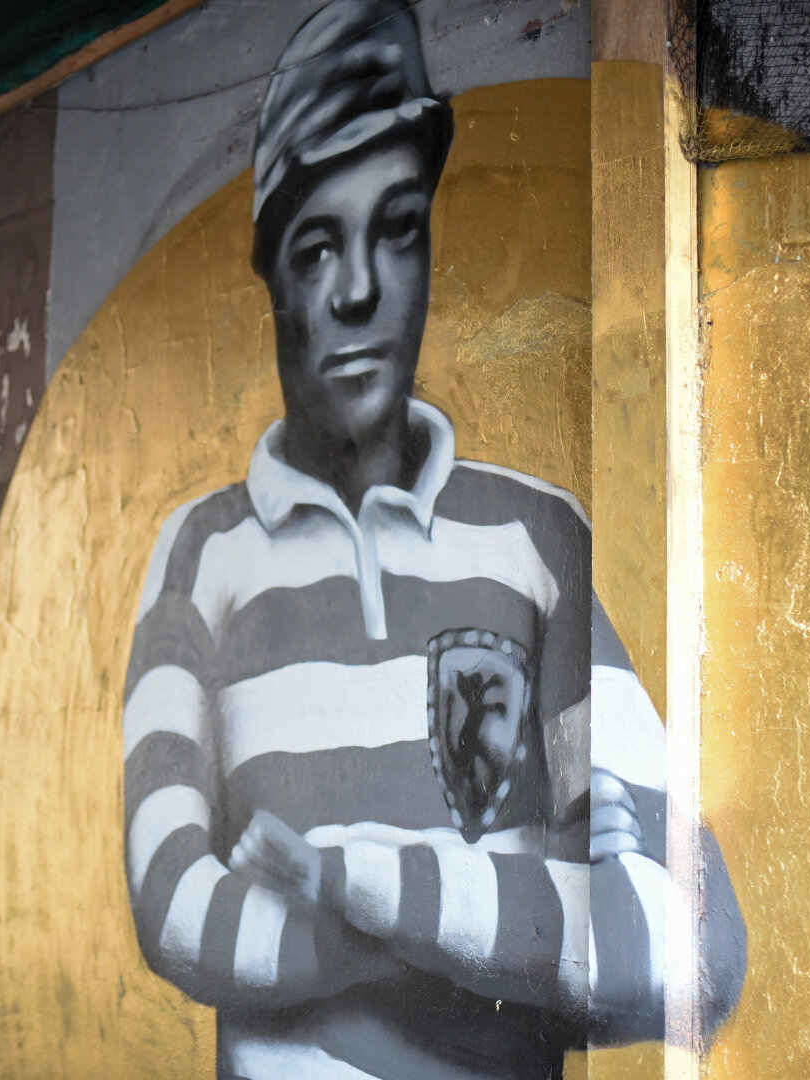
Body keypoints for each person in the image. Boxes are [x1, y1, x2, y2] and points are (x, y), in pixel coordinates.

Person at [122, 3, 746, 1078]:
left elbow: (686, 942)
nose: (360, 286)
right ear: (270, 270)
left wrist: (359, 888)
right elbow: (175, 906)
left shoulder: (534, 537)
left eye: (399, 226)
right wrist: (523, 899)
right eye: (319, 244)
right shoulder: (202, 556)